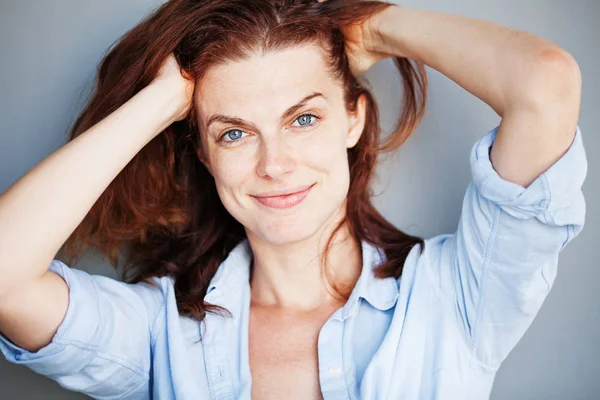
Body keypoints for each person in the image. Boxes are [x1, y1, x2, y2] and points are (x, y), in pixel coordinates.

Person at [0, 0, 587, 399]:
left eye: (303, 118)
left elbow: (546, 84)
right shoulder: (160, 332)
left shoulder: (457, 296)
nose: (274, 164)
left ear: (354, 120)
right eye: (233, 132)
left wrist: (376, 26)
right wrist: (160, 102)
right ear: (202, 154)